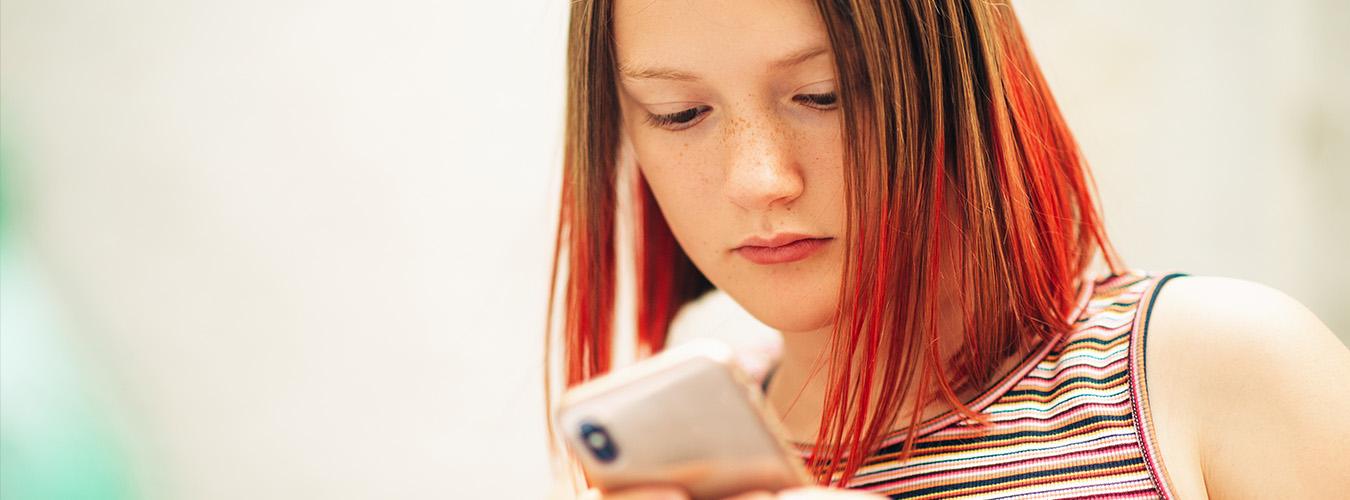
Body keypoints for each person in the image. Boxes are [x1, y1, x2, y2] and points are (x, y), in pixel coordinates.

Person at [544, 0, 1350, 498]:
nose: (759, 179)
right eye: (679, 113)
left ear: (956, 76)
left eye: (825, 94)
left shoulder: (1220, 373)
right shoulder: (680, 467)